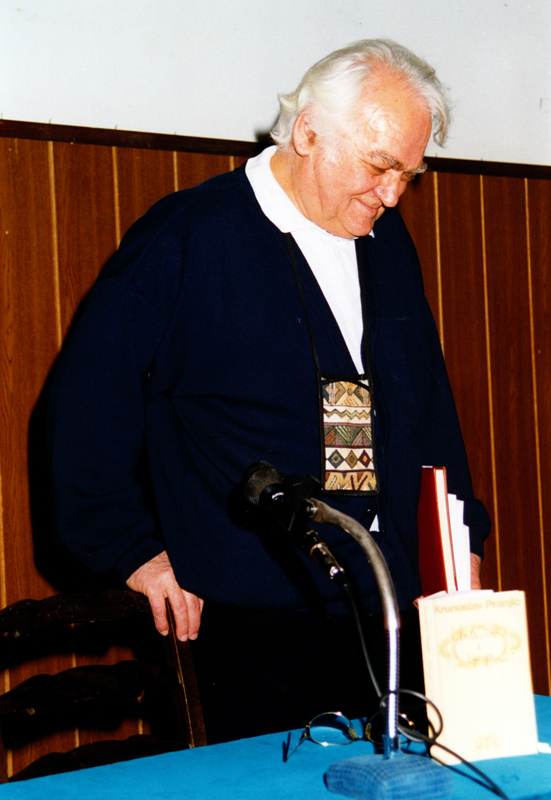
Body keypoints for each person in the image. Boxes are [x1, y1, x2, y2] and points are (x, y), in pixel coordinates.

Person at [47, 39, 490, 743]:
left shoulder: (385, 238)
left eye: (409, 173)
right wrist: (129, 549)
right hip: (246, 618)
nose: (392, 194)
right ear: (307, 132)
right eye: (379, 166)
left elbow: (427, 405)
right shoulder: (186, 237)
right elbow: (83, 407)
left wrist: (456, 538)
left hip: (384, 600)